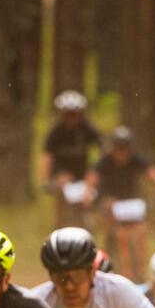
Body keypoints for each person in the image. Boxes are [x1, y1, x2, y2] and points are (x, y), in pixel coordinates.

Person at [86, 127, 155, 279]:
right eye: (119, 149)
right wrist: (88, 194)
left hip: (132, 205)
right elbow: (93, 177)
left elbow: (152, 173)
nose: (122, 153)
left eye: (125, 149)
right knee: (118, 232)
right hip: (110, 203)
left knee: (141, 230)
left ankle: (141, 273)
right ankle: (115, 262)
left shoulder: (135, 158)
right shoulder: (106, 161)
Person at [40, 90, 102, 227]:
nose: (72, 118)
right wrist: (45, 179)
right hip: (61, 172)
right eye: (68, 114)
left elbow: (102, 146)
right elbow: (47, 156)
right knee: (61, 190)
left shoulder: (86, 128)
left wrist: (99, 170)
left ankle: (88, 221)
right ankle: (60, 224)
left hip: (82, 171)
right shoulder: (55, 132)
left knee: (91, 189)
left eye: (75, 114)